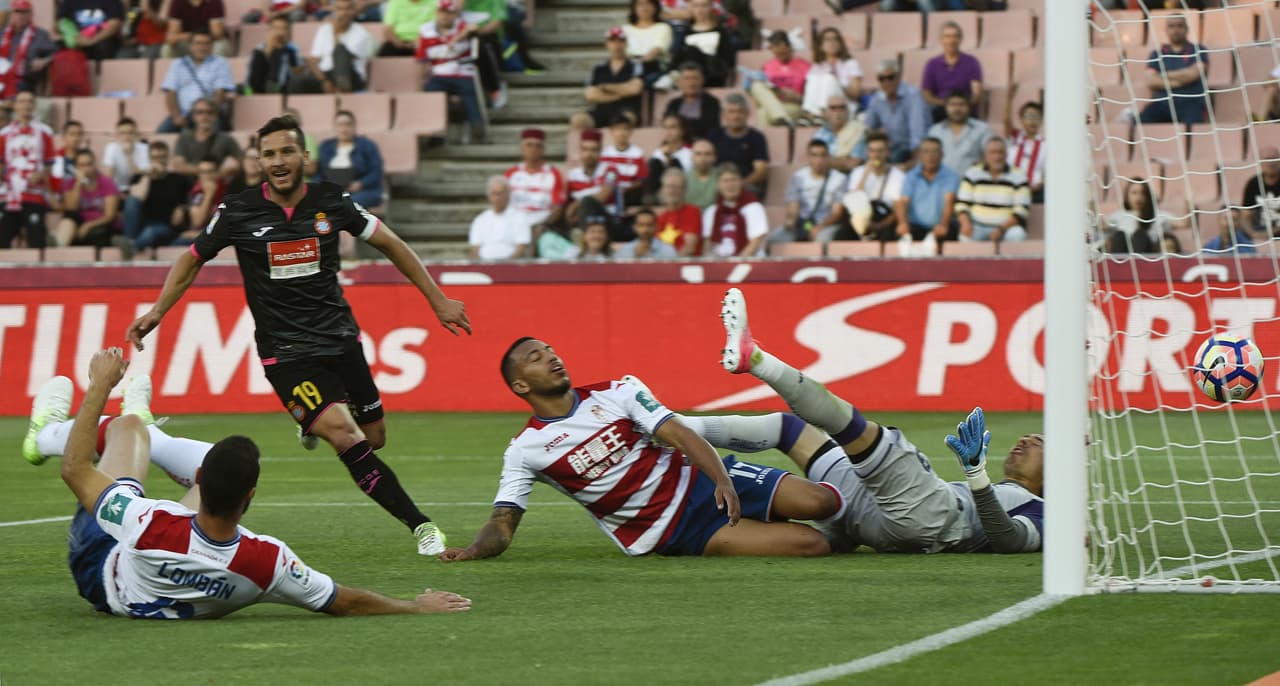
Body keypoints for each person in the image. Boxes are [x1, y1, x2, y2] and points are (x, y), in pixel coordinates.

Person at [126, 115, 472, 556]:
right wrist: (158, 310)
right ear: (259, 160)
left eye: (287, 151)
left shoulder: (333, 202)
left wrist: (437, 299)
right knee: (345, 436)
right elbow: (192, 258)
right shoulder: (237, 211)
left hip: (340, 339)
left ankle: (308, 420)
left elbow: (391, 243)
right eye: (269, 154)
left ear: (304, 155)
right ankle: (422, 527)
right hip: (285, 353)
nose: (279, 161)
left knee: (374, 437)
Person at [26, 355, 472, 619]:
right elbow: (342, 601)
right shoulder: (267, 561)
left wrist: (100, 386)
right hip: (164, 576)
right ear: (250, 499)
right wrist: (414, 605)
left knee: (124, 430)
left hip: (99, 568)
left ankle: (43, 433)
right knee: (198, 451)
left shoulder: (148, 522)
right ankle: (148, 430)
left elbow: (75, 468)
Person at [436, 338, 842, 562]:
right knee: (813, 545)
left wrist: (721, 479)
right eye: (536, 358)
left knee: (823, 502)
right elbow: (503, 522)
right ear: (520, 386)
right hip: (673, 530)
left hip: (705, 478)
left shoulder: (617, 392)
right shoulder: (525, 450)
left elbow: (679, 434)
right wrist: (473, 551)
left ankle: (876, 516)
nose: (552, 358)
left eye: (551, 351)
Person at [713, 287, 1044, 554]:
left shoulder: (1046, 511)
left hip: (929, 515)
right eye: (1029, 437)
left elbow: (1010, 541)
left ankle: (756, 359)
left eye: (1039, 443)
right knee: (790, 431)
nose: (1025, 441)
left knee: (862, 435)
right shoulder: (1015, 496)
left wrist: (976, 477)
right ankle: (670, 428)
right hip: (889, 526)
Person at [418, 0, 487, 144]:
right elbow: (422, 58)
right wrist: (421, 79)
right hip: (438, 73)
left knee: (468, 91)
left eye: (449, 13)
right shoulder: (426, 30)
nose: (445, 16)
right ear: (436, 13)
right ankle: (434, 134)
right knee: (431, 93)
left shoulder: (462, 25)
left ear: (455, 14)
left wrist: (456, 38)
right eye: (442, 12)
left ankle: (477, 128)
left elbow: (474, 28)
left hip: (461, 71)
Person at [0, 90, 55, 249]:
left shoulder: (45, 131)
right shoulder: (4, 133)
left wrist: (42, 174)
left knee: (37, 241)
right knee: (2, 239)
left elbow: (50, 163)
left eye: (30, 101)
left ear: (35, 106)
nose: (26, 105)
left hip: (34, 194)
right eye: (22, 101)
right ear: (15, 106)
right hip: (9, 195)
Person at [772, 139, 847, 244]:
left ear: (828, 157)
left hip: (826, 224)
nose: (819, 160)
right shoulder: (798, 177)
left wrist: (820, 226)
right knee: (776, 239)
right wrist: (791, 220)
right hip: (802, 223)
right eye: (814, 155)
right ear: (808, 157)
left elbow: (837, 212)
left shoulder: (839, 179)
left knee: (822, 238)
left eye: (822, 155)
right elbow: (793, 205)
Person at [956, 137, 1030, 243]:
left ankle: (1013, 261)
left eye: (1000, 152)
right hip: (977, 226)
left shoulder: (1019, 176)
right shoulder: (972, 173)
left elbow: (1022, 210)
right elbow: (961, 205)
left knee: (1017, 234)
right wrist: (965, 223)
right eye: (992, 152)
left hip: (1006, 228)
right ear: (985, 155)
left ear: (1006, 154)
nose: (997, 157)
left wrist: (1001, 229)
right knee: (965, 235)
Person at [158, 31, 236, 133]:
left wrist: (208, 114)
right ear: (191, 46)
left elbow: (220, 93)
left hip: (209, 113)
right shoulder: (178, 64)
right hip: (184, 114)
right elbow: (170, 92)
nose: (202, 47)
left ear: (212, 46)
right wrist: (176, 116)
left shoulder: (220, 63)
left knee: (213, 137)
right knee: (162, 134)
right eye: (198, 43)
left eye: (206, 43)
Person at [1138, 14, 1208, 125]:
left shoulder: (1199, 50)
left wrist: (1162, 75)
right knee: (1139, 122)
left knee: (1193, 128)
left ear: (1187, 28)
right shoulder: (1157, 53)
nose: (1176, 30)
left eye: (1180, 26)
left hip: (1190, 103)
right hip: (1162, 103)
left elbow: (1194, 74)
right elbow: (1151, 81)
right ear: (1166, 30)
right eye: (1171, 26)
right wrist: (1182, 79)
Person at [570, 27, 644, 131]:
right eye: (613, 41)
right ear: (607, 44)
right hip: (601, 111)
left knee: (628, 118)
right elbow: (590, 95)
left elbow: (635, 89)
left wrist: (605, 87)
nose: (617, 45)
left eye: (620, 41)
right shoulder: (598, 68)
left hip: (625, 110)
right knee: (578, 120)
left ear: (626, 44)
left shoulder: (635, 65)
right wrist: (622, 92)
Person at [121, 140, 189, 252]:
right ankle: (131, 243)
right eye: (155, 157)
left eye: (162, 157)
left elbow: (186, 202)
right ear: (149, 158)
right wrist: (148, 175)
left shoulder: (178, 179)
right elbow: (136, 199)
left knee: (150, 232)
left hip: (165, 226)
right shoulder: (139, 177)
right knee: (132, 201)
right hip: (140, 223)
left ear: (168, 157)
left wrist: (182, 207)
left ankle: (130, 246)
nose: (159, 161)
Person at [863, 59, 930, 165]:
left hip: (909, 147)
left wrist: (914, 161)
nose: (886, 82)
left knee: (893, 160)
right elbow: (869, 127)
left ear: (898, 77)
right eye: (882, 79)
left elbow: (918, 133)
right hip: (890, 147)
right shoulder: (877, 99)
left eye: (890, 77)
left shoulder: (913, 96)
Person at [841, 131, 905, 242]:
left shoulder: (897, 175)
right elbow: (855, 201)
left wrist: (879, 226)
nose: (876, 155)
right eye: (872, 151)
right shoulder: (858, 172)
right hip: (862, 217)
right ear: (867, 153)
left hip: (886, 219)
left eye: (880, 151)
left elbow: (898, 209)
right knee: (842, 234)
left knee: (888, 235)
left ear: (887, 152)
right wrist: (865, 175)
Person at [895, 136, 960, 243]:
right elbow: (903, 202)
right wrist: (902, 223)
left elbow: (949, 201)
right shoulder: (911, 176)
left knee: (950, 233)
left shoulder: (951, 176)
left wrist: (943, 225)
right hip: (915, 227)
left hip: (940, 227)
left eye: (935, 152)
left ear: (942, 154)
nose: (931, 156)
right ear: (919, 155)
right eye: (926, 152)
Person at [316, 110, 384, 211]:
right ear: (334, 127)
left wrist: (361, 183)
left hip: (363, 191)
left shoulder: (367, 146)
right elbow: (318, 173)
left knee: (347, 203)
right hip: (333, 191)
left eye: (348, 124)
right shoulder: (325, 146)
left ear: (354, 126)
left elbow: (376, 171)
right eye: (340, 125)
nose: (344, 129)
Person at [743, 30, 810, 127]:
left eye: (782, 52)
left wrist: (799, 97)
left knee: (763, 114)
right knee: (756, 85)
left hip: (793, 105)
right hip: (773, 103)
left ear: (789, 47)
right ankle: (780, 117)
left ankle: (779, 117)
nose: (779, 55)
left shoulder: (804, 66)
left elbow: (813, 97)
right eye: (777, 53)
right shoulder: (767, 66)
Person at [54, 149, 120, 247]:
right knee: (69, 218)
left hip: (99, 224)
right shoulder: (70, 183)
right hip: (78, 224)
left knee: (99, 234)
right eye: (81, 165)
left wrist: (88, 225)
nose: (86, 169)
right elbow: (71, 209)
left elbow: (110, 215)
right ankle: (57, 244)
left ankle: (115, 240)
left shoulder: (107, 182)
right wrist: (78, 185)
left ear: (94, 165)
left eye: (89, 164)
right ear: (76, 167)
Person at [505, 127, 566, 232]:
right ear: (522, 148)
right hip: (513, 225)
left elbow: (558, 206)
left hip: (541, 224)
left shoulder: (553, 174)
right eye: (529, 145)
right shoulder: (511, 173)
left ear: (543, 149)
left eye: (538, 146)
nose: (533, 149)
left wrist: (545, 224)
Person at [920, 21, 983, 123]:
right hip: (941, 109)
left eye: (955, 36)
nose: (951, 40)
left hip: (965, 109)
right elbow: (927, 94)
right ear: (941, 39)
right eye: (947, 36)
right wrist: (947, 104)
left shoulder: (971, 62)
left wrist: (960, 105)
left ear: (960, 39)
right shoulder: (932, 64)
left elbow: (977, 94)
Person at [705, 93, 768, 193]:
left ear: (747, 114)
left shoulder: (756, 137)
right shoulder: (714, 135)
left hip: (745, 187)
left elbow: (761, 171)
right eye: (731, 112)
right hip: (716, 186)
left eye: (740, 112)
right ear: (724, 115)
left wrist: (736, 185)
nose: (736, 116)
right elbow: (705, 163)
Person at [307, 0, 375, 93]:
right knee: (299, 82)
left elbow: (344, 60)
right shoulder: (324, 29)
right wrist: (324, 80)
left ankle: (341, 87)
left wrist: (335, 32)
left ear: (354, 11)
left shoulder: (361, 33)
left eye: (347, 9)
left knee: (340, 49)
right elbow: (313, 60)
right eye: (339, 9)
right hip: (325, 75)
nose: (343, 13)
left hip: (351, 76)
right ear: (334, 11)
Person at [702, 163, 766, 257]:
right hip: (718, 264)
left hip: (750, 263)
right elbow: (708, 245)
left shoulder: (754, 207)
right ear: (718, 185)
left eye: (734, 180)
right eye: (725, 181)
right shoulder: (711, 211)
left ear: (741, 182)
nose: (730, 185)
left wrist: (735, 265)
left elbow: (754, 245)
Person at [670, 0, 735, 88]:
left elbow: (727, 60)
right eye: (696, 6)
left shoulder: (721, 32)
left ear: (711, 6)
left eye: (704, 6)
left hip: (712, 75)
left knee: (692, 51)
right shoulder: (685, 32)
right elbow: (677, 59)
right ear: (690, 8)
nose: (700, 10)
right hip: (689, 75)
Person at [173, 98, 242, 180]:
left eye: (209, 112)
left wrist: (225, 171)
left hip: (216, 186)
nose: (205, 116)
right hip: (188, 187)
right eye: (200, 112)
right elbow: (179, 165)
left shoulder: (225, 139)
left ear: (216, 116)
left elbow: (242, 161)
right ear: (193, 116)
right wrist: (208, 172)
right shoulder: (185, 137)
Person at [927, 91, 992, 176]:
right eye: (952, 105)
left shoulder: (982, 129)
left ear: (969, 107)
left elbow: (992, 155)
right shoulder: (935, 131)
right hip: (942, 184)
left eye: (962, 105)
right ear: (946, 107)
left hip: (972, 184)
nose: (957, 109)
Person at [1100, 178, 1173, 253]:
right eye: (1134, 193)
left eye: (1143, 193)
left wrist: (1186, 203)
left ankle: (1138, 263)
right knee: (1120, 235)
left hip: (1147, 255)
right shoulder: (1120, 215)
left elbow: (1182, 223)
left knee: (1139, 235)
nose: (1138, 197)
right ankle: (1118, 264)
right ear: (1127, 196)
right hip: (1124, 254)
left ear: (1148, 196)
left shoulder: (1157, 215)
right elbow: (1103, 226)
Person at [0, 0, 57, 98]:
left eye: (24, 12)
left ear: (31, 14)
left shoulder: (40, 35)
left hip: (24, 81)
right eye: (17, 12)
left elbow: (56, 54)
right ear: (11, 14)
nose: (20, 16)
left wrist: (44, 61)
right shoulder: (2, 34)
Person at [802, 27, 861, 121]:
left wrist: (837, 81)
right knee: (813, 78)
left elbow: (855, 94)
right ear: (821, 45)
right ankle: (809, 113)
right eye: (827, 40)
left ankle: (821, 114)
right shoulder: (817, 66)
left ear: (840, 43)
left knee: (828, 78)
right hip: (819, 108)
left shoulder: (850, 63)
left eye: (835, 39)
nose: (832, 43)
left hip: (844, 106)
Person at [469, 175, 530, 259]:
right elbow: (475, 249)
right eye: (494, 193)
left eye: (500, 193)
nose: (497, 197)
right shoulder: (480, 220)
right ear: (489, 196)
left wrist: (505, 267)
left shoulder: (520, 217)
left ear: (508, 195)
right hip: (484, 265)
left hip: (511, 266)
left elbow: (521, 248)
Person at [246, 14, 308, 94]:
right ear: (270, 30)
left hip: (279, 87)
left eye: (283, 28)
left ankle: (267, 88)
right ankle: (249, 91)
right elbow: (252, 71)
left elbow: (297, 71)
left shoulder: (292, 49)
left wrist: (282, 49)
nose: (279, 31)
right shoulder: (260, 48)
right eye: (276, 28)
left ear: (288, 31)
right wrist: (269, 47)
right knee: (239, 88)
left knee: (280, 52)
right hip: (257, 85)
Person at [661, 62, 721, 139]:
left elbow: (711, 128)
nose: (691, 83)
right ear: (679, 82)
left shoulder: (712, 102)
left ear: (702, 80)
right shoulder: (673, 104)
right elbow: (668, 125)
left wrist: (682, 125)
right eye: (687, 78)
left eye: (695, 78)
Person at [624, 0, 671, 88]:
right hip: (628, 66)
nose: (644, 8)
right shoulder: (625, 29)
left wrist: (638, 64)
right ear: (634, 8)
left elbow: (657, 50)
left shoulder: (663, 27)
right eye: (640, 4)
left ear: (655, 7)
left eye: (648, 4)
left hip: (652, 67)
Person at [812, 94, 864, 174]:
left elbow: (852, 164)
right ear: (826, 113)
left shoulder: (858, 131)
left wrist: (826, 160)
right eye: (833, 108)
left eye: (842, 108)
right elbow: (813, 161)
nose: (838, 112)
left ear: (847, 111)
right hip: (823, 178)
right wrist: (842, 160)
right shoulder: (820, 134)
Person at [1006, 99, 1045, 204]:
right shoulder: (1015, 137)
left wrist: (1042, 183)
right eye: (1029, 117)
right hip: (1010, 188)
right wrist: (1009, 96)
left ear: (1041, 120)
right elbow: (1006, 121)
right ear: (1021, 119)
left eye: (1036, 117)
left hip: (1034, 191)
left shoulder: (1045, 145)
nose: (1033, 121)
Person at [646, 113, 692, 201]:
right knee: (655, 162)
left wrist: (669, 159)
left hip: (681, 193)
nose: (668, 131)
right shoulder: (658, 152)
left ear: (682, 130)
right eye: (665, 127)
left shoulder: (690, 153)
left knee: (675, 162)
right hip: (659, 193)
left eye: (673, 127)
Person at [58, 0, 124, 61]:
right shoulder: (69, 2)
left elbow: (114, 24)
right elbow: (60, 23)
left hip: (101, 43)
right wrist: (73, 39)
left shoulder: (111, 2)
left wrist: (92, 40)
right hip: (77, 41)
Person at [164, 0, 231, 58]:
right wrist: (192, 38)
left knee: (221, 46)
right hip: (188, 42)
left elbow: (217, 33)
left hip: (210, 41)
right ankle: (175, 72)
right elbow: (171, 38)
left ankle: (214, 72)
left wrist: (200, 39)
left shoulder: (214, 2)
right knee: (167, 49)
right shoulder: (177, 2)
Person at [101, 117, 149, 190]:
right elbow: (108, 176)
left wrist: (129, 156)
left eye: (130, 133)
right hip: (116, 189)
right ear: (116, 135)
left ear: (136, 135)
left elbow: (138, 176)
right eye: (122, 133)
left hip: (137, 190)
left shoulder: (144, 148)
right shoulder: (111, 148)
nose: (126, 137)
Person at [1241, 147, 1280, 235]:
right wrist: (1253, 233)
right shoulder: (1253, 184)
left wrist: (1272, 231)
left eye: (1273, 158)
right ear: (1259, 162)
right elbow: (1246, 215)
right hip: (1260, 229)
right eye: (1266, 159)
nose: (1270, 163)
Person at [684, 137, 718, 209]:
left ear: (714, 157)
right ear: (692, 157)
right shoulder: (683, 179)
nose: (703, 158)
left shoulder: (722, 178)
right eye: (698, 154)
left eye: (707, 154)